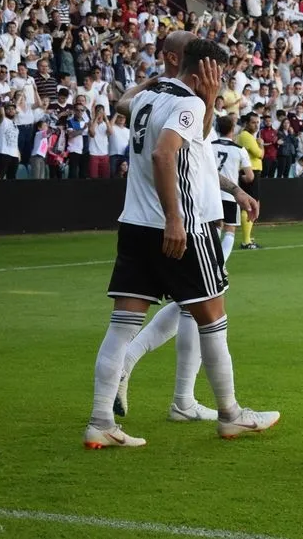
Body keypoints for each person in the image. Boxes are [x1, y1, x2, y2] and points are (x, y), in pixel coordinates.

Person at [85, 38, 278, 449]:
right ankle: (230, 414)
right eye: (218, 73)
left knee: (121, 326)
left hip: (134, 225)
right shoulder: (189, 104)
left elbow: (191, 147)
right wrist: (175, 217)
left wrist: (174, 86)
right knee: (212, 317)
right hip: (181, 227)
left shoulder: (152, 95)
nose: (221, 81)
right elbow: (164, 154)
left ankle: (101, 420)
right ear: (204, 71)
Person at [113, 31, 249, 424]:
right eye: (195, 52)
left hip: (198, 209)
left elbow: (202, 153)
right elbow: (136, 118)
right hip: (187, 217)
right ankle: (211, 407)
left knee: (191, 307)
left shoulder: (191, 100)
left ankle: (182, 399)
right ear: (176, 58)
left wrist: (237, 192)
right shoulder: (178, 100)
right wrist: (157, 83)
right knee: (204, 309)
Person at [213, 114, 254, 262]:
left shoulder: (210, 145)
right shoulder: (239, 149)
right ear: (232, 130)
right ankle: (220, 264)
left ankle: (211, 261)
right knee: (230, 229)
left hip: (212, 194)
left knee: (215, 227)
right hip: (230, 195)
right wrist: (240, 178)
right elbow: (250, 177)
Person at [236, 114, 263, 249]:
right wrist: (261, 145)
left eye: (257, 122)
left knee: (252, 205)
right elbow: (259, 154)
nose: (256, 125)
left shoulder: (247, 136)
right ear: (246, 123)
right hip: (250, 172)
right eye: (253, 122)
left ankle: (247, 237)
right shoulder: (246, 136)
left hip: (251, 172)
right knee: (250, 206)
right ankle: (246, 241)